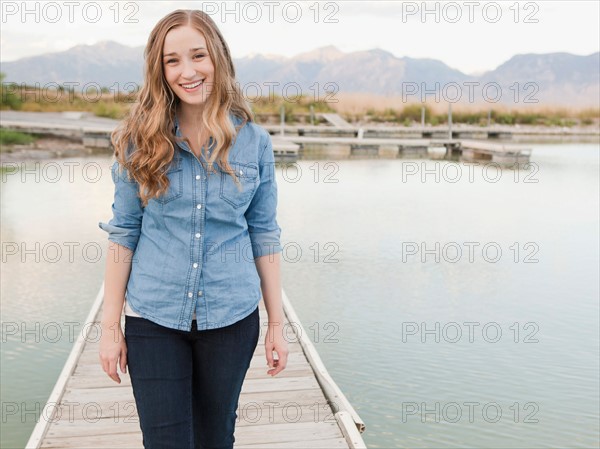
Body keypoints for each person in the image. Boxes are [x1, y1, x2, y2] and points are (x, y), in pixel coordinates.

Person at [97, 9, 288, 449]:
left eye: (198, 55)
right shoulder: (137, 141)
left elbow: (264, 233)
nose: (188, 71)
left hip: (231, 317)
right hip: (153, 318)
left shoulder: (255, 142)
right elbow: (123, 232)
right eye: (172, 61)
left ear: (217, 58)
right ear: (159, 70)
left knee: (215, 438)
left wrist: (277, 323)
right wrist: (110, 329)